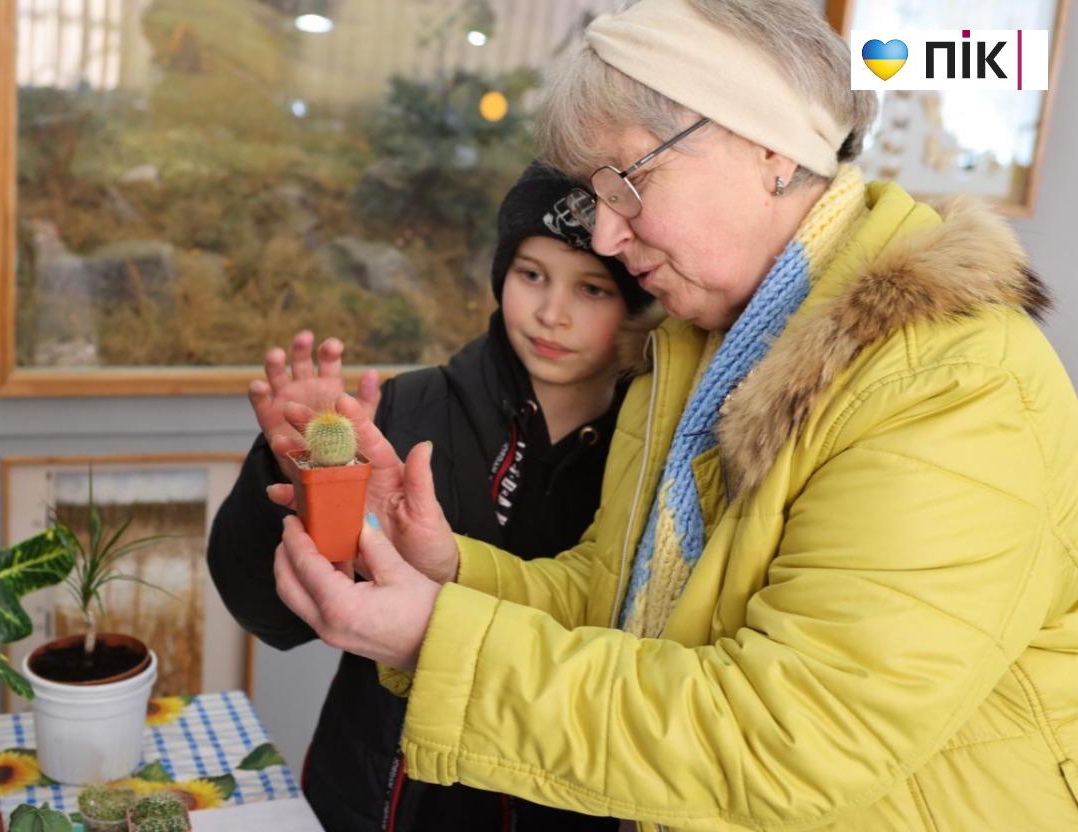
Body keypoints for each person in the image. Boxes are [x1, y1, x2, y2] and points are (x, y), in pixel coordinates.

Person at [266, 1, 1078, 830]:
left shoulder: (947, 383)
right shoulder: (693, 350)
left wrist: (434, 640)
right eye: (594, 197)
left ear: (770, 149)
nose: (606, 237)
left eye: (628, 182)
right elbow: (617, 595)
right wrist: (447, 572)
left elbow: (793, 737)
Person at [208, 162, 655, 831]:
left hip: (562, 801)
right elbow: (272, 618)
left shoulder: (651, 451)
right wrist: (295, 468)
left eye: (592, 288)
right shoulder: (404, 409)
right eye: (531, 274)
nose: (551, 313)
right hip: (380, 799)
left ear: (638, 302)